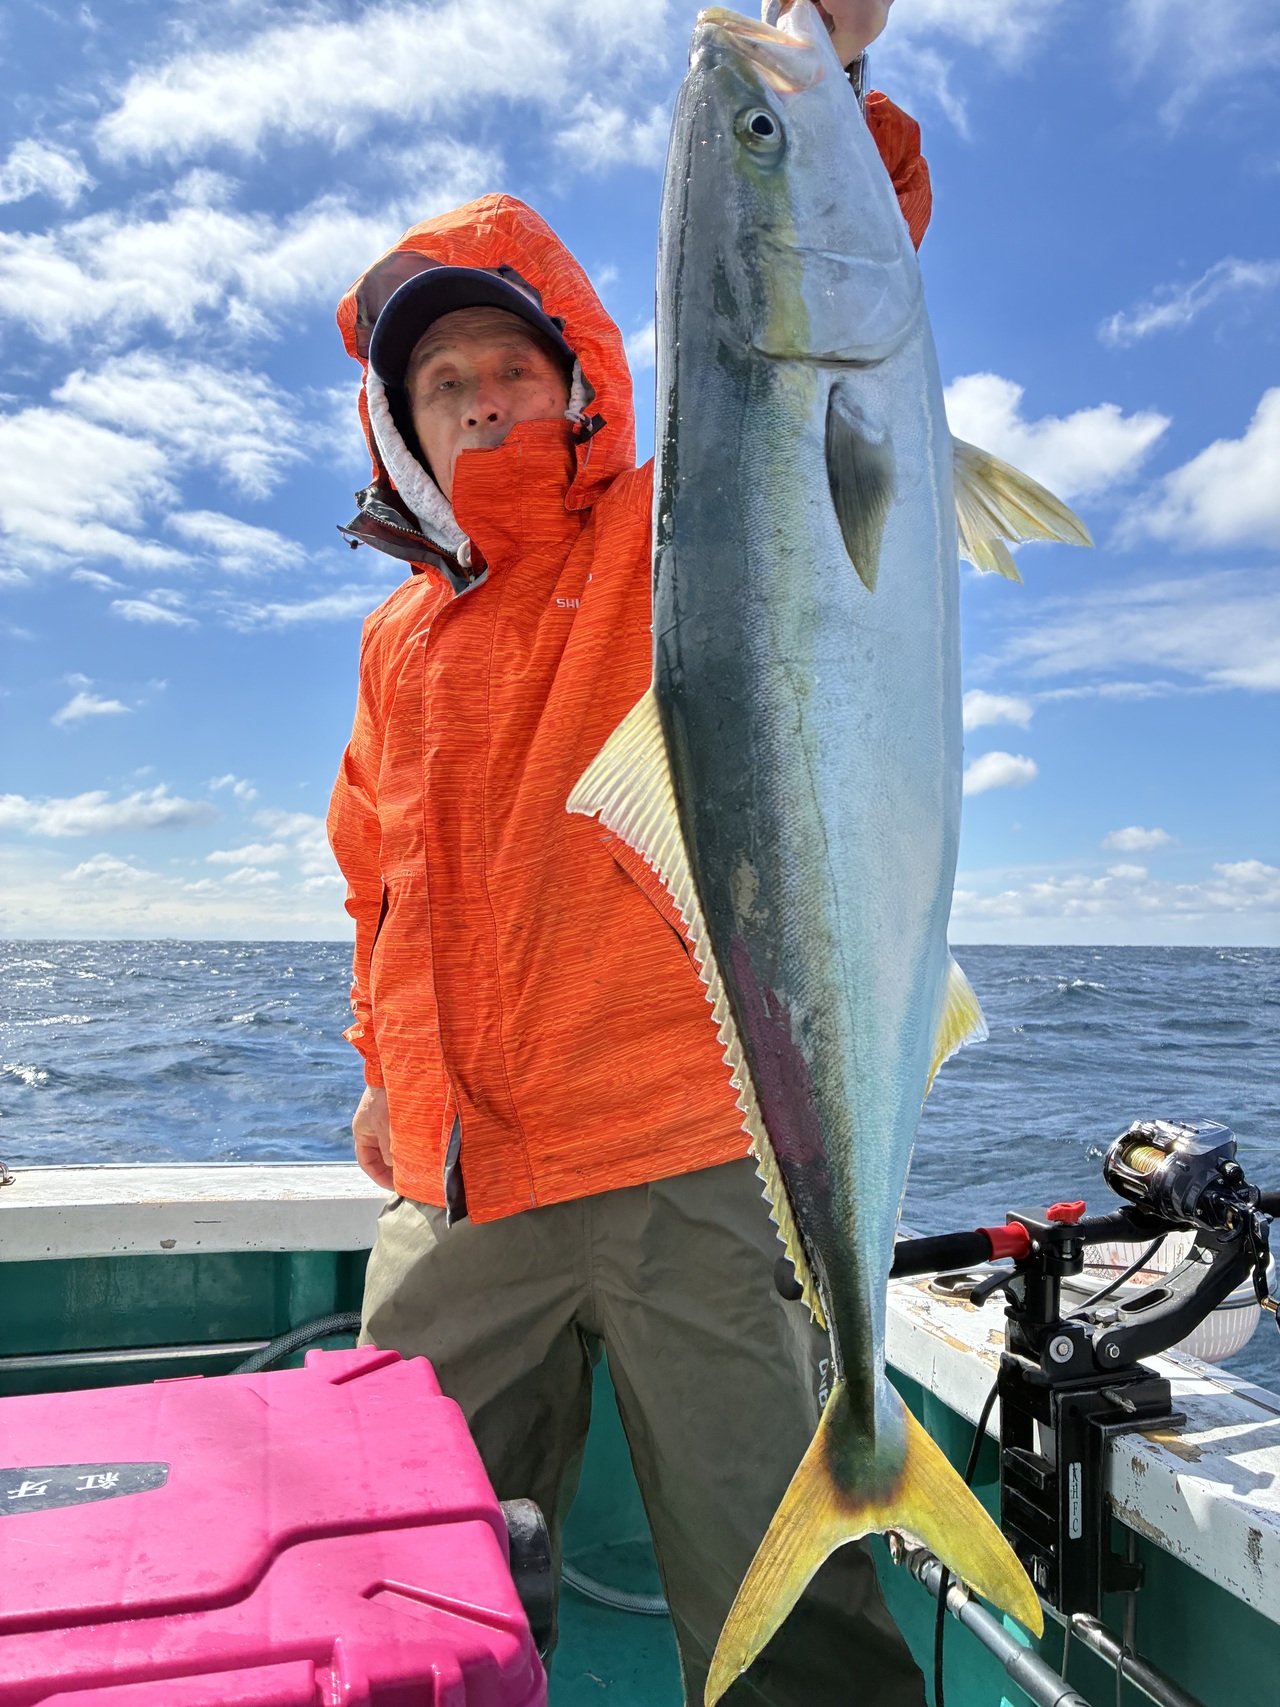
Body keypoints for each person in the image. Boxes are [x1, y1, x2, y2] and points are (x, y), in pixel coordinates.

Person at [328, 4, 931, 1700]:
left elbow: (810, 318)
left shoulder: (670, 529)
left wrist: (832, 82)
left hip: (688, 1160)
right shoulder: (395, 642)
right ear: (402, 424)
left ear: (581, 377)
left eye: (512, 367)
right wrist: (381, 1070)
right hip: (462, 1189)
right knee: (396, 1577)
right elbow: (376, 881)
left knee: (784, 1616)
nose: (482, 401)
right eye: (443, 383)